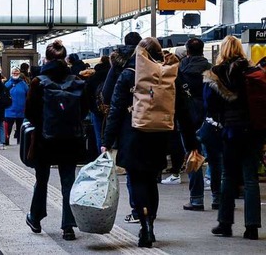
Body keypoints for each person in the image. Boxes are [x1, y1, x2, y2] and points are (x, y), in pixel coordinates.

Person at [101, 37, 197, 248]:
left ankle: (143, 222)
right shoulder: (170, 74)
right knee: (151, 181)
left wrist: (106, 141)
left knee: (136, 180)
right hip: (159, 135)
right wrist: (191, 143)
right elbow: (183, 111)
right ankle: (150, 222)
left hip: (132, 134)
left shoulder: (128, 74)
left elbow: (115, 108)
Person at [25, 40, 85, 241]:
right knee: (68, 181)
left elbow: (30, 113)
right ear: (65, 59)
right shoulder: (76, 81)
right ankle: (68, 226)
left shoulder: (38, 82)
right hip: (70, 139)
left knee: (41, 180)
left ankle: (35, 218)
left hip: (44, 140)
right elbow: (83, 111)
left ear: (47, 59)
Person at [203, 36, 261, 240]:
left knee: (228, 176)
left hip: (229, 131)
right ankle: (252, 227)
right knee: (251, 178)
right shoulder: (253, 72)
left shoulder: (216, 74)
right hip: (253, 131)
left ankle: (225, 224)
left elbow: (209, 105)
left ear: (223, 50)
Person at [100, 31, 142, 224]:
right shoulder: (151, 61)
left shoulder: (118, 64)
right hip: (154, 121)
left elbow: (107, 94)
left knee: (133, 168)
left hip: (128, 121)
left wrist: (107, 140)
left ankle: (137, 210)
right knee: (150, 172)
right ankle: (149, 214)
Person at [177, 38, 212, 211]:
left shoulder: (180, 69)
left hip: (187, 118)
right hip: (209, 118)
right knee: (215, 156)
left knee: (193, 155)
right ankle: (217, 197)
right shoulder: (210, 69)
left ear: (187, 51)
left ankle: (197, 199)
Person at [84, 55, 111, 153]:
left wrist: (92, 108)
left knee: (99, 136)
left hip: (97, 110)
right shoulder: (115, 74)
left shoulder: (94, 76)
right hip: (112, 110)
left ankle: (101, 158)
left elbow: (87, 93)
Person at [4, 67, 29, 145]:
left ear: (19, 74)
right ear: (11, 74)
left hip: (21, 110)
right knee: (8, 128)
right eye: (14, 73)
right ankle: (6, 141)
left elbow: (28, 94)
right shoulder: (7, 84)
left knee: (20, 128)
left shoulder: (23, 84)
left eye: (17, 73)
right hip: (9, 110)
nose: (15, 74)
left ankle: (20, 141)